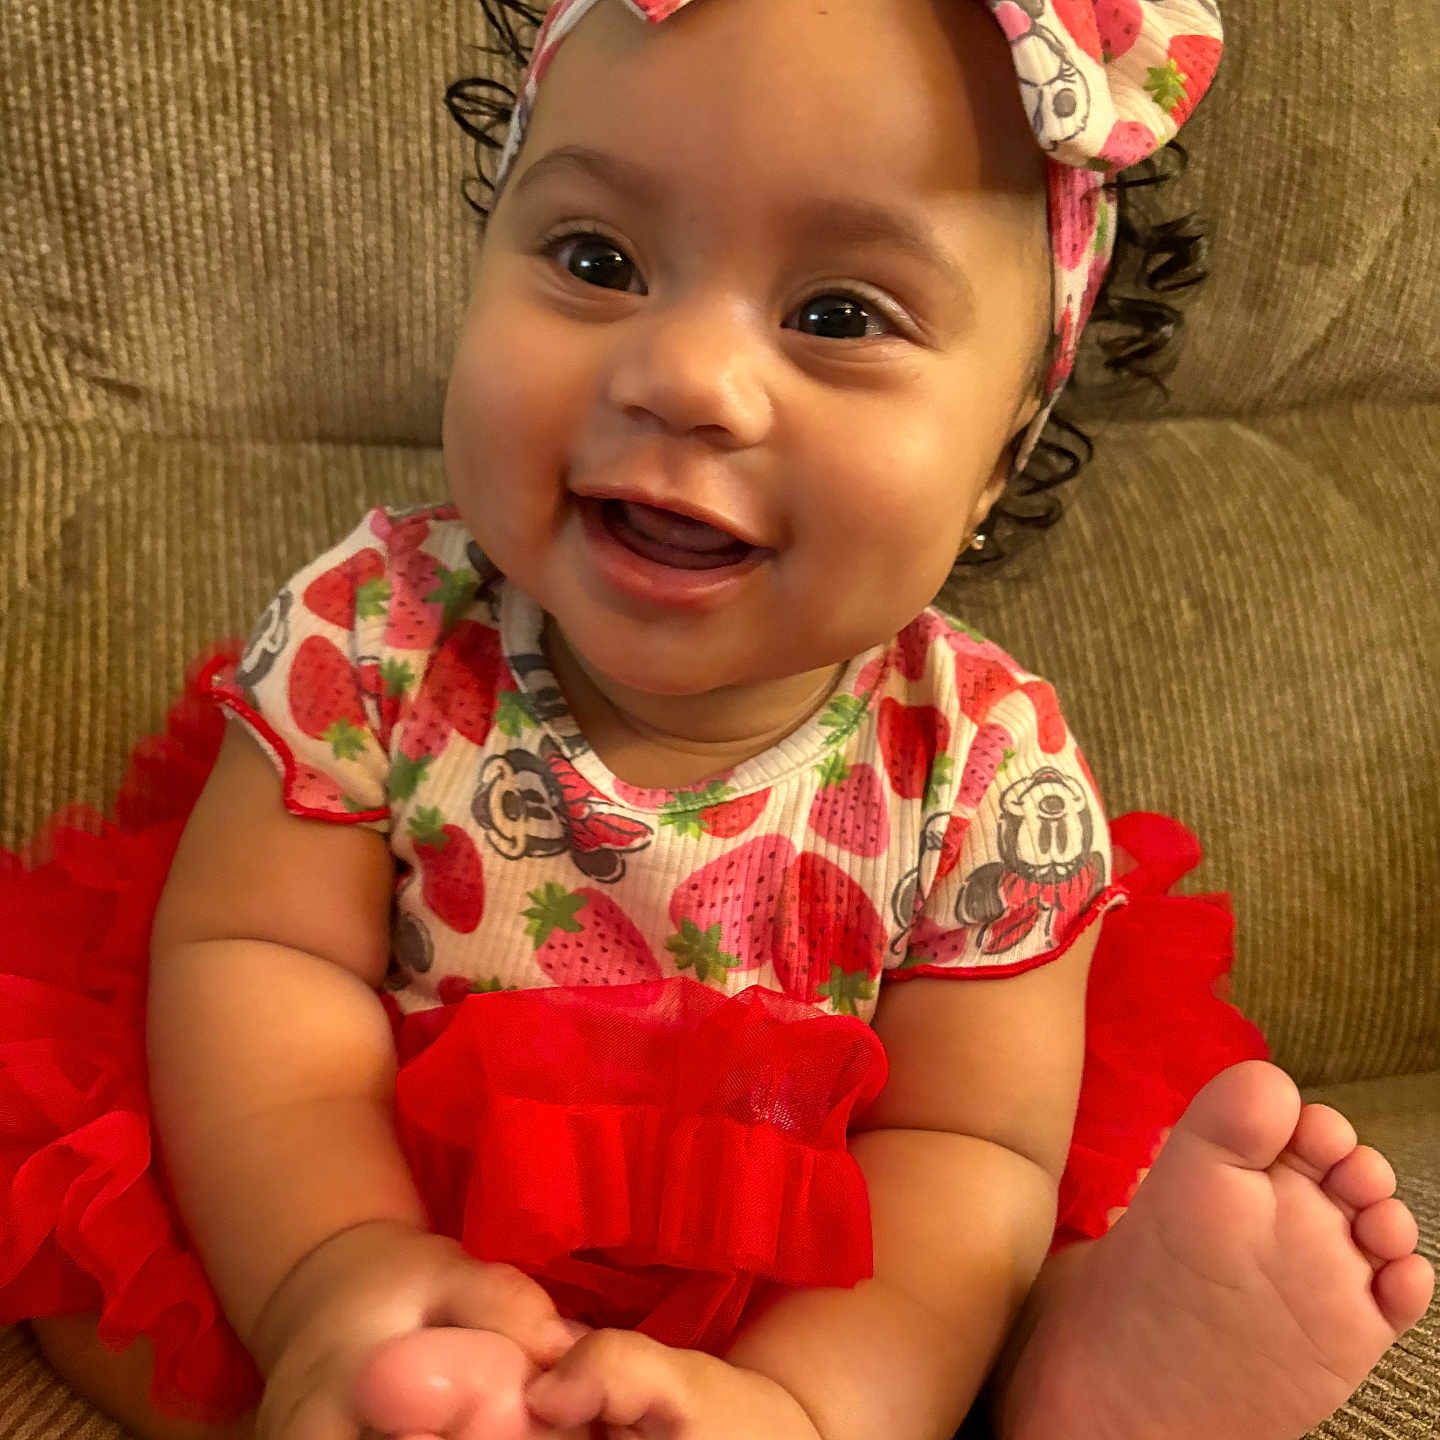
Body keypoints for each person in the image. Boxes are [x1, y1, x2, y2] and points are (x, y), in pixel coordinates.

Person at [0, 1, 1432, 1438]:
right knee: (121, 1244)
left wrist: (812, 1401)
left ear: (999, 454)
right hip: (368, 1176)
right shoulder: (373, 635)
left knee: (1003, 1233)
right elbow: (259, 966)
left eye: (837, 316)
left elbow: (963, 1147)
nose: (681, 376)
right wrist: (327, 1267)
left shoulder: (986, 772)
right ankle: (355, 1364)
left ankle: (1035, 1388)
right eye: (595, 261)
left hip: (810, 1261)